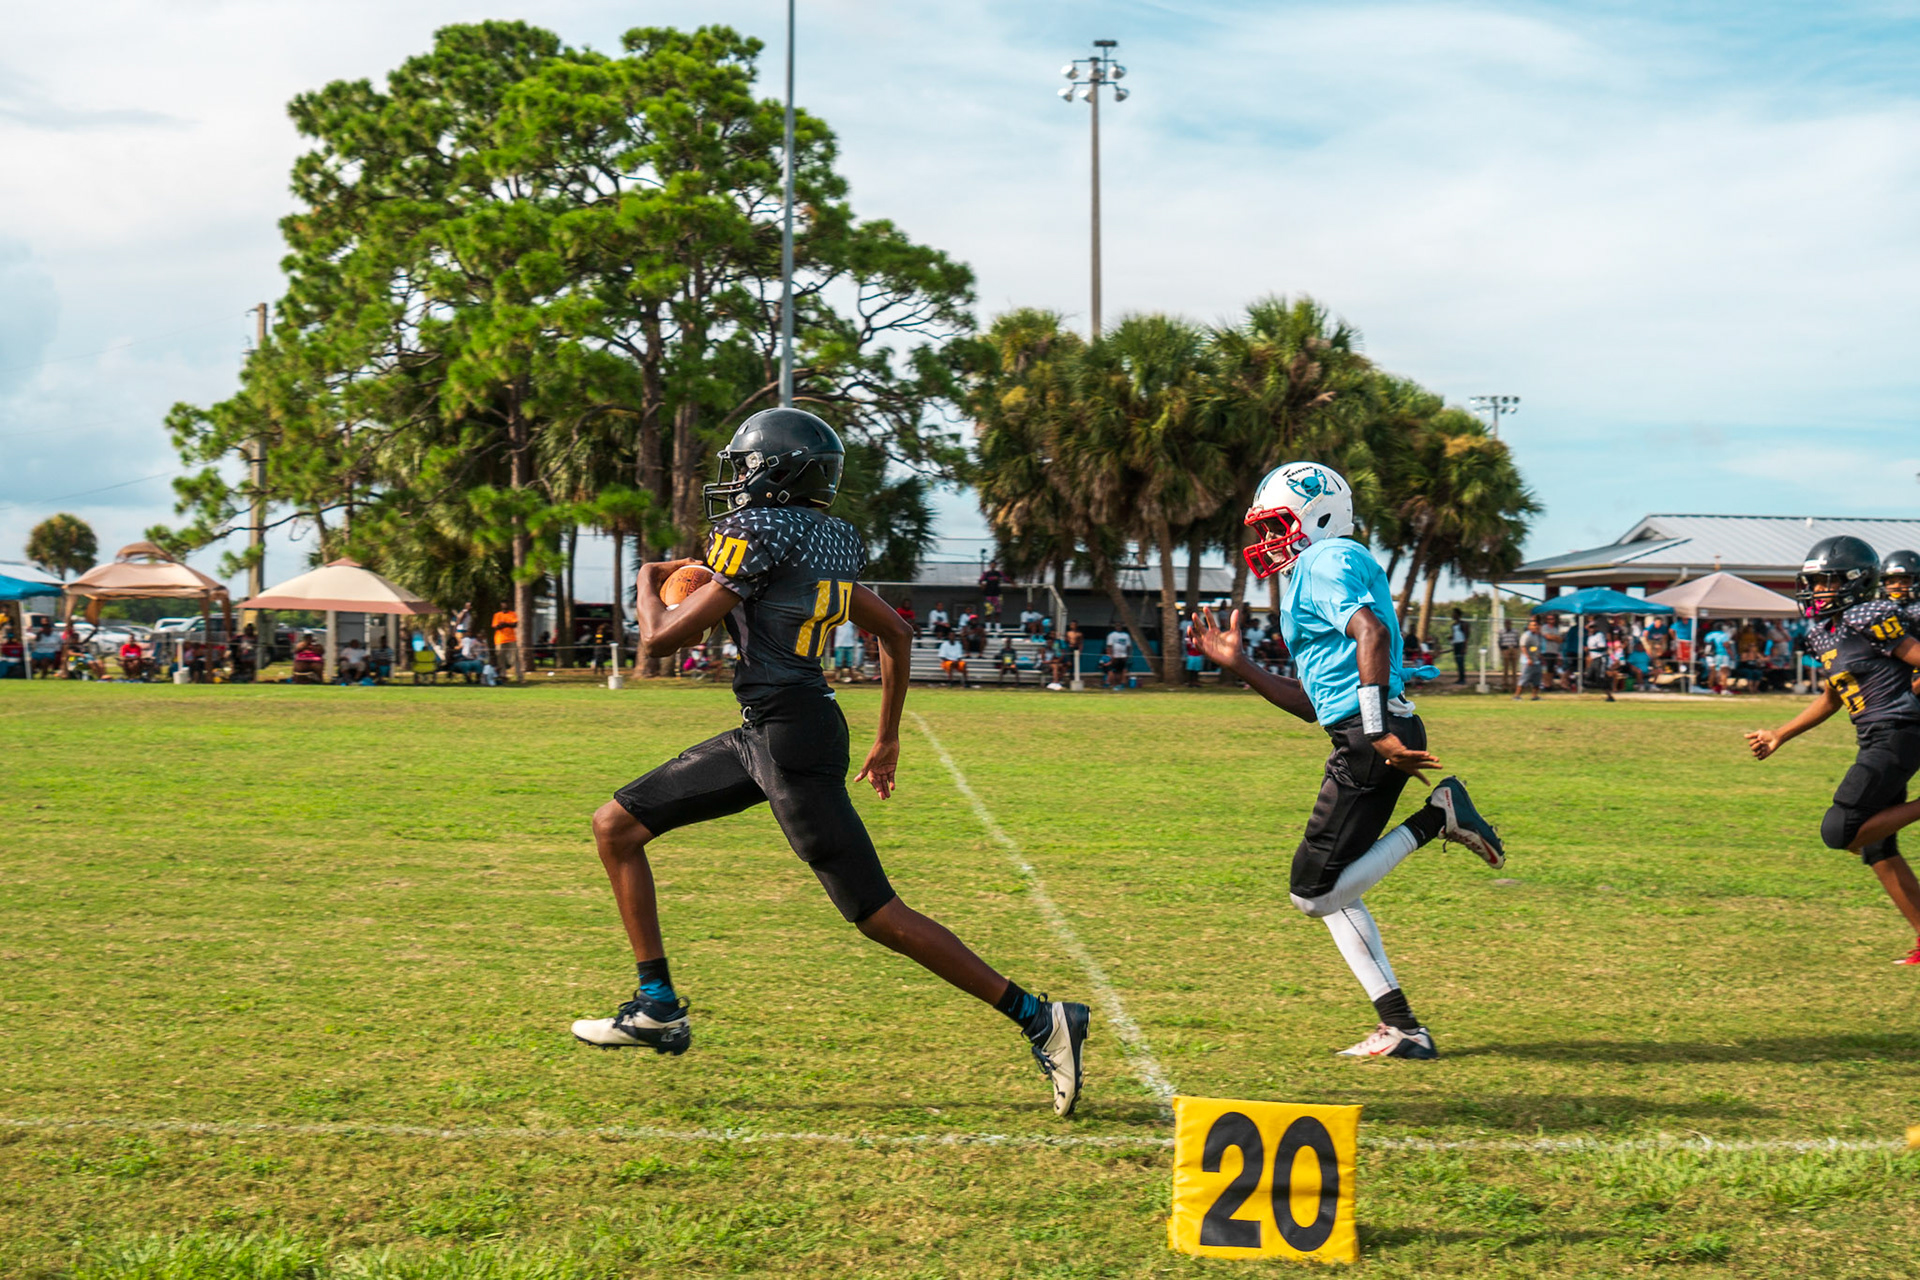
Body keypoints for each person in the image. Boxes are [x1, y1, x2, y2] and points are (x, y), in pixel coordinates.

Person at [571, 409, 1088, 1114]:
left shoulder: (756, 535)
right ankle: (656, 1003)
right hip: (779, 731)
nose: (737, 480)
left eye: (746, 467)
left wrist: (646, 574)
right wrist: (887, 736)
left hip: (787, 740)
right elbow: (896, 633)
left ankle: (1040, 1016)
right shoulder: (825, 540)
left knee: (877, 913)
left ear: (774, 473)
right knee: (616, 826)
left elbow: (659, 640)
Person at [1195, 460, 1507, 1059]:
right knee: (1330, 887)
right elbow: (1312, 705)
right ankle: (1402, 1027)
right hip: (1365, 731)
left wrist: (1376, 728)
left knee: (1313, 893)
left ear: (1318, 517)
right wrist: (1240, 665)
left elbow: (1372, 635)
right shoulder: (1318, 567)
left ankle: (1438, 817)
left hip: (1371, 736)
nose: (1268, 540)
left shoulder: (1325, 559)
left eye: (1277, 525)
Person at [1748, 536, 1920, 966]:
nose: (1818, 590)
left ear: (1857, 581)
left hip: (1898, 730)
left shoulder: (1867, 615)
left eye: (1829, 581)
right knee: (1876, 846)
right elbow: (1833, 696)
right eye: (1815, 582)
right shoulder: (1823, 633)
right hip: (1876, 735)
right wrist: (1780, 734)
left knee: (1840, 831)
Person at [1514, 617, 1544, 701]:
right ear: (1529, 627)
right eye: (1533, 625)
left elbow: (1535, 647)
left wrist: (1539, 655)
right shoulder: (1526, 635)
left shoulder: (1537, 635)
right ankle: (1516, 696)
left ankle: (1534, 696)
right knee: (1524, 678)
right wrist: (1528, 658)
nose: (1535, 627)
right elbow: (1523, 647)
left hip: (1536, 660)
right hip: (1527, 661)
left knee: (1537, 679)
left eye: (1536, 625)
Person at [830, 615, 861, 684]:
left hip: (850, 643)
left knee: (850, 663)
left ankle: (851, 677)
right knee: (838, 662)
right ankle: (837, 677)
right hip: (840, 643)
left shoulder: (851, 620)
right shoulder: (838, 618)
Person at [491, 605, 518, 677]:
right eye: (503, 604)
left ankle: (520, 677)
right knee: (500, 659)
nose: (505, 605)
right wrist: (508, 624)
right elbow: (496, 626)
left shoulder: (512, 614)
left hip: (511, 639)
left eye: (506, 603)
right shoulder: (497, 615)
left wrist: (504, 624)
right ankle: (503, 676)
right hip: (500, 640)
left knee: (515, 658)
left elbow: (514, 624)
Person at [1104, 624, 1132, 690]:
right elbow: (1109, 646)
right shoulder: (1112, 635)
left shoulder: (1126, 635)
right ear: (1115, 627)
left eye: (1120, 626)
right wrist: (1111, 655)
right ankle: (1114, 684)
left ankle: (1120, 685)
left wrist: (1127, 655)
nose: (1119, 627)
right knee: (1114, 671)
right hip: (1115, 656)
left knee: (1121, 671)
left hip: (1123, 656)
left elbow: (1128, 646)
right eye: (1117, 626)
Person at [1497, 617, 1519, 691]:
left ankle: (1514, 685)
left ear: (1511, 624)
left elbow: (1518, 641)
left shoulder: (1515, 631)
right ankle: (1505, 685)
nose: (1508, 625)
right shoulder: (1501, 632)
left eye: (1509, 623)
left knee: (1514, 668)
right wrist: (1502, 650)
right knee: (1505, 668)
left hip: (1513, 648)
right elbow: (1499, 641)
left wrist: (1516, 650)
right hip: (1505, 649)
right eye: (1506, 623)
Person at [1449, 608, 1469, 685]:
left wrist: (1465, 647)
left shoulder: (1463, 624)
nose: (1452, 615)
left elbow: (1466, 636)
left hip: (1461, 644)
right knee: (1457, 661)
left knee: (1461, 662)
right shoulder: (1453, 625)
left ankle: (1462, 679)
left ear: (1458, 615)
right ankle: (1460, 678)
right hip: (1456, 644)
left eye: (1454, 614)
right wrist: (1451, 639)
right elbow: (1455, 635)